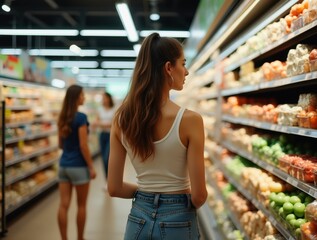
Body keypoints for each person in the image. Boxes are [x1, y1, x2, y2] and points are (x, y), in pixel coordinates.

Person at [108, 33, 207, 240]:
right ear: (169, 68)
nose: (186, 71)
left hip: (138, 219)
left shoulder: (121, 120)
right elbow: (199, 196)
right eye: (183, 63)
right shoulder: (190, 120)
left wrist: (147, 195)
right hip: (178, 220)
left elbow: (114, 188)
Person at [57, 84, 96, 240]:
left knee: (63, 205)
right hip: (79, 166)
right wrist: (91, 166)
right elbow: (83, 145)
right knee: (81, 205)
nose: (84, 97)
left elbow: (60, 144)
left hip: (64, 166)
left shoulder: (62, 118)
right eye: (82, 95)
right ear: (76, 98)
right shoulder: (81, 118)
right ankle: (80, 238)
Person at [92, 91, 115, 180]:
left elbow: (114, 124)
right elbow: (95, 122)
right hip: (102, 135)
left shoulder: (114, 109)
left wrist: (99, 124)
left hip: (111, 135)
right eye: (103, 98)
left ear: (109, 99)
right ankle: (107, 180)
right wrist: (104, 124)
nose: (104, 100)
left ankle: (111, 179)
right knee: (103, 159)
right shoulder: (100, 109)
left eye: (105, 98)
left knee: (107, 158)